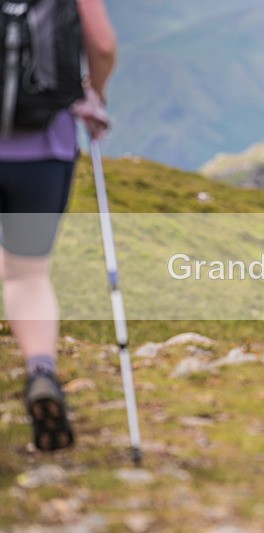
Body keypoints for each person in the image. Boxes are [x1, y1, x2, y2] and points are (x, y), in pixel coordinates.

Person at [0, 0, 117, 451]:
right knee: (27, 273)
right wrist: (95, 93)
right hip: (44, 148)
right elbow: (102, 44)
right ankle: (41, 371)